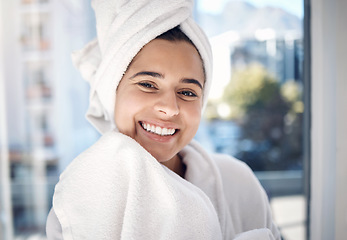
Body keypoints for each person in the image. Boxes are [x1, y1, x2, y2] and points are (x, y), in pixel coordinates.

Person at [46, 0, 281, 239]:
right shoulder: (79, 199)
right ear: (112, 90)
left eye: (187, 92)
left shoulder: (239, 182)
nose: (170, 108)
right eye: (148, 85)